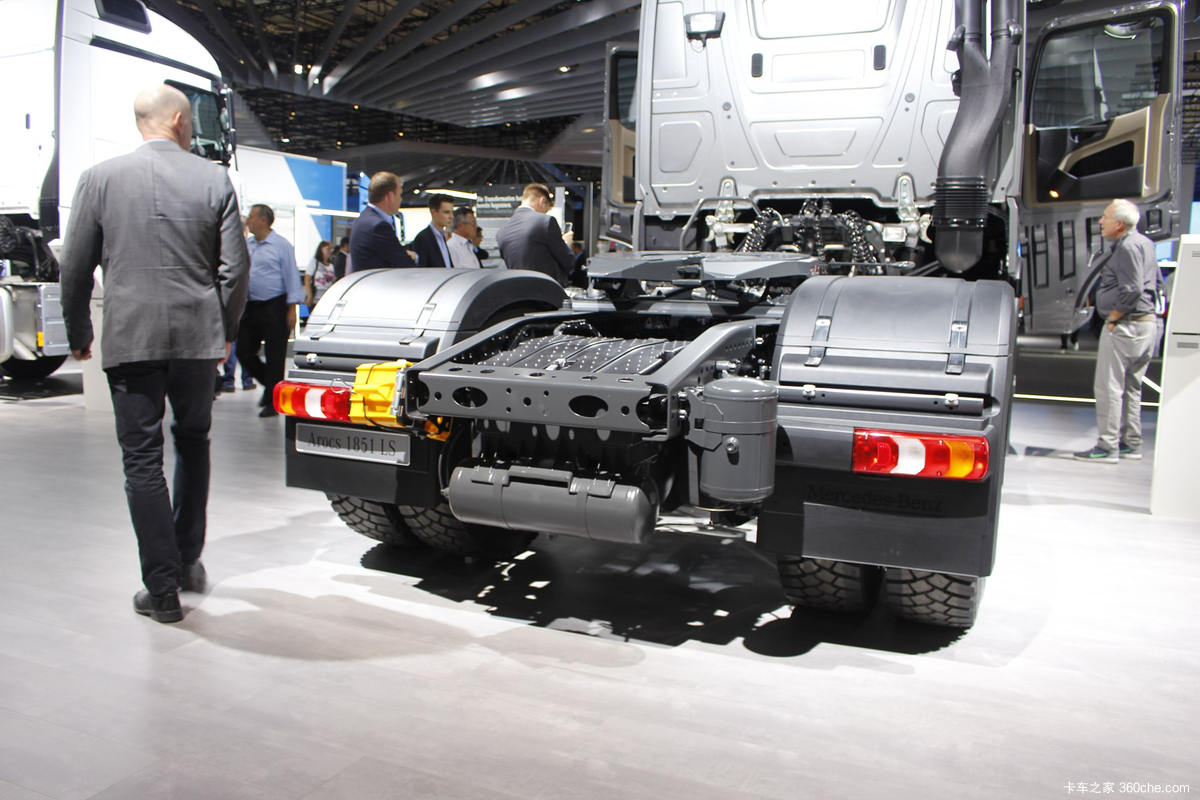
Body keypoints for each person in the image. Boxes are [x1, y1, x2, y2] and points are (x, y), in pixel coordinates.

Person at [58, 85, 249, 623]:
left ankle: (162, 590)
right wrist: (225, 330)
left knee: (141, 459)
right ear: (182, 121)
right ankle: (187, 562)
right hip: (197, 338)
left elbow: (75, 266)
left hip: (131, 336)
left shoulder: (99, 178)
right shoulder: (214, 179)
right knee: (193, 442)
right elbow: (235, 269)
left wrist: (79, 330)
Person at [1074, 199, 1163, 463]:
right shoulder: (1145, 243)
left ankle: (1107, 445)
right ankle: (1131, 443)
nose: (1101, 222)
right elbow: (1157, 283)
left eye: (1105, 217)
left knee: (1109, 388)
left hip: (1126, 326)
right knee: (1133, 388)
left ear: (1120, 224)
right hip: (1146, 324)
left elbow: (1132, 289)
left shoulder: (1127, 247)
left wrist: (1113, 318)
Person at [239, 203, 303, 418]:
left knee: (275, 356)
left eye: (251, 217)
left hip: (275, 305)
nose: (248, 221)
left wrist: (292, 309)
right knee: (244, 351)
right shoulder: (248, 245)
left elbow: (292, 277)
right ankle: (271, 385)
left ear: (263, 220)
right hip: (251, 306)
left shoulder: (281, 245)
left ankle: (272, 401)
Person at [495, 182, 574, 286]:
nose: (545, 213)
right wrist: (567, 243)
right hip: (547, 290)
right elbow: (568, 261)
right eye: (546, 210)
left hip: (517, 290)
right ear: (542, 201)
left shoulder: (502, 231)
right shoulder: (545, 222)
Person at [349, 171, 416, 270]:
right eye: (399, 194)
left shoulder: (361, 220)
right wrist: (414, 257)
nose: (401, 199)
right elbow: (404, 263)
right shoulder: (379, 226)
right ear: (390, 196)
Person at [410, 193, 455, 267]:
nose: (451, 216)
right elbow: (422, 267)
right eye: (446, 212)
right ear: (433, 212)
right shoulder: (423, 238)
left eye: (452, 212)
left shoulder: (442, 237)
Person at [304, 239, 337, 308]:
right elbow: (307, 279)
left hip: (328, 298)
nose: (330, 251)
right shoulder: (314, 262)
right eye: (328, 249)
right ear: (321, 249)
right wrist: (309, 295)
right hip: (316, 297)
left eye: (331, 249)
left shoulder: (331, 265)